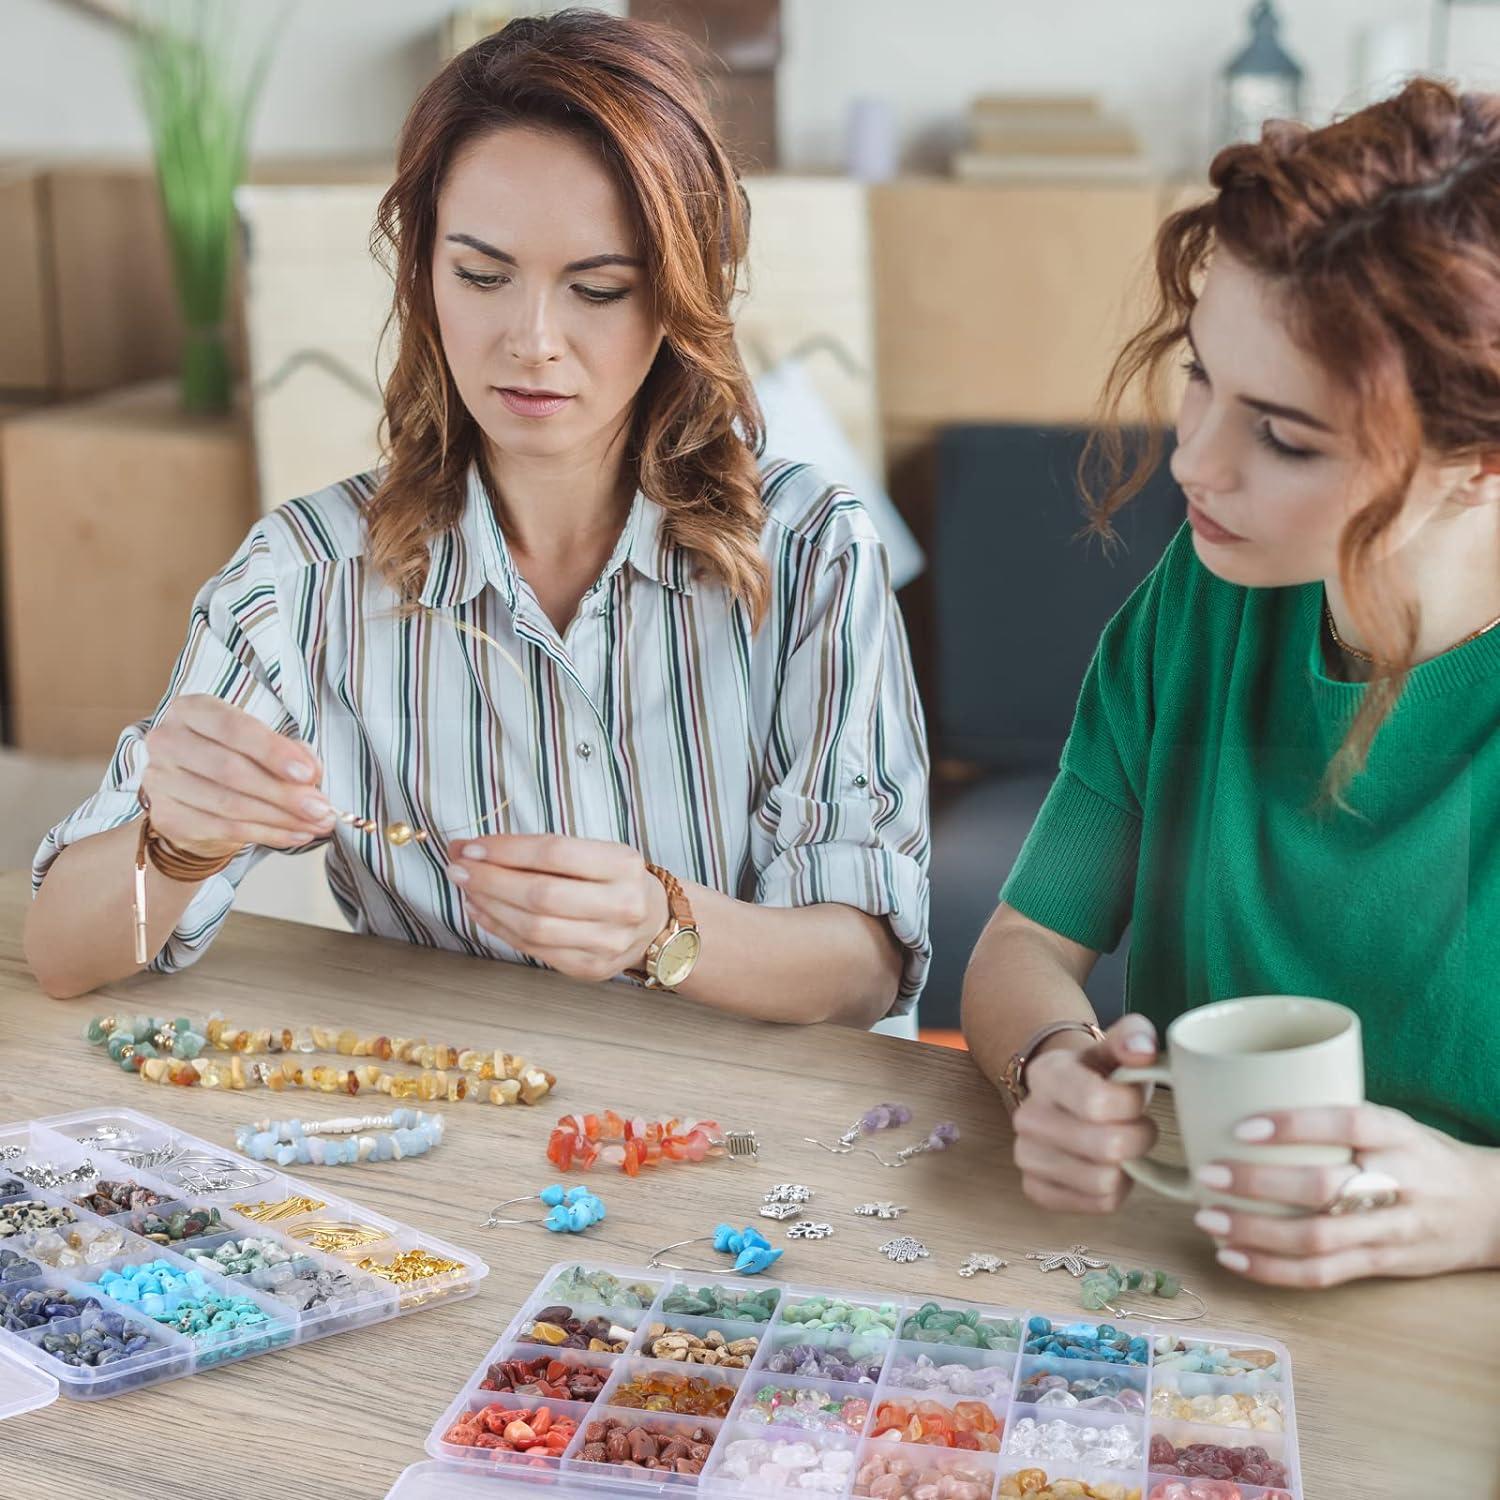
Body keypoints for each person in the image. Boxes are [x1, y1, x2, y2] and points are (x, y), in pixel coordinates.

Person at [25, 10, 929, 1028]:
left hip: (765, 1147)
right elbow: (62, 952)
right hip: (462, 1138)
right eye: (482, 276)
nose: (532, 342)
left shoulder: (812, 549)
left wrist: (660, 928)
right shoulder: (307, 574)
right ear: (422, 277)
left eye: (597, 288)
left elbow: (866, 969)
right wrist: (174, 844)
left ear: (679, 295)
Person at [963, 79, 1500, 1285]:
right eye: (1200, 374)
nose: (1192, 461)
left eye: (1288, 436)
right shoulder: (1195, 608)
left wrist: (1482, 1206)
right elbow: (1023, 943)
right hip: (1188, 1316)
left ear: (1477, 464)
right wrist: (1051, 1068)